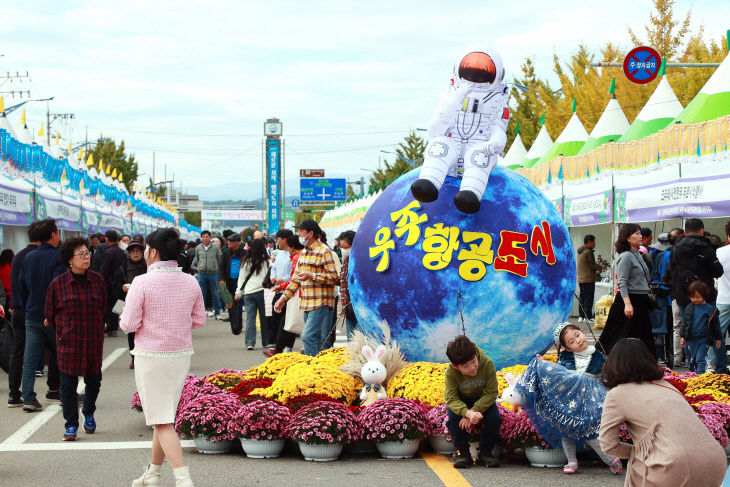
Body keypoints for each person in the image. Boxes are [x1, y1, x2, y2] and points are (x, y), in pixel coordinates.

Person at [120, 228, 204, 487]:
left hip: (151, 355)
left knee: (162, 420)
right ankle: (153, 474)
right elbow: (199, 320)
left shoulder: (142, 282)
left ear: (153, 251)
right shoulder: (191, 281)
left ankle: (183, 478)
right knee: (163, 416)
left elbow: (128, 324)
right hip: (180, 354)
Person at [599, 338, 726, 486]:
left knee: (639, 464)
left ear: (614, 364)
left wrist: (638, 451)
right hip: (716, 461)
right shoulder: (667, 385)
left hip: (672, 466)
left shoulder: (617, 394)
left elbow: (608, 445)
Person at [516, 323, 622, 475]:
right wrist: (542, 364)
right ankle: (571, 461)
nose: (577, 341)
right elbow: (557, 375)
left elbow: (607, 375)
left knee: (588, 431)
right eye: (571, 342)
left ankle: (609, 459)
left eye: (577, 335)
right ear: (567, 348)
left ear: (583, 332)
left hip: (589, 399)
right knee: (566, 429)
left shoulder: (598, 356)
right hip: (570, 400)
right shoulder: (565, 357)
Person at [45, 237, 106, 441]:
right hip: (69, 344)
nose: (86, 257)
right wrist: (64, 332)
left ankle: (88, 411)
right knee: (68, 387)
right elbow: (50, 314)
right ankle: (71, 424)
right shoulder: (58, 284)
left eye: (87, 253)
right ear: (69, 260)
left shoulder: (97, 280)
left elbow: (104, 308)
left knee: (94, 381)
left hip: (93, 342)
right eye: (81, 254)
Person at [18, 219, 66, 412]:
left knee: (30, 359)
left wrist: (27, 306)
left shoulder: (27, 257)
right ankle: (65, 393)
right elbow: (58, 287)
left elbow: (21, 288)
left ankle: (28, 397)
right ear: (53, 235)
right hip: (53, 316)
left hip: (32, 313)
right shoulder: (58, 257)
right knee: (63, 354)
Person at [274, 219, 339, 356]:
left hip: (321, 302)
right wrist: (283, 299)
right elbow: (295, 279)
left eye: (300, 231)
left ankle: (313, 368)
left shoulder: (324, 251)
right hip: (306, 302)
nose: (298, 234)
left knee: (308, 337)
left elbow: (334, 277)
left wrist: (312, 275)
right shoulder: (303, 252)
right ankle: (318, 368)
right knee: (313, 338)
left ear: (310, 233)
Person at [597, 224, 655, 357]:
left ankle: (641, 365)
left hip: (641, 300)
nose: (640, 236)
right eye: (636, 234)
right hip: (629, 300)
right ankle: (609, 363)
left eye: (640, 233)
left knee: (641, 335)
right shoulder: (626, 256)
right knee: (619, 336)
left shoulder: (637, 254)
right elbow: (622, 282)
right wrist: (627, 304)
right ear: (627, 238)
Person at [444, 335, 501, 469]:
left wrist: (474, 411)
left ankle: (486, 453)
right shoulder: (450, 372)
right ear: (455, 366)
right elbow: (451, 398)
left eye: (474, 361)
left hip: (482, 400)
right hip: (460, 401)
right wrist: (466, 413)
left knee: (494, 418)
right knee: (453, 419)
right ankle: (463, 453)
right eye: (466, 366)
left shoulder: (487, 363)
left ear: (475, 354)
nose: (473, 368)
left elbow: (491, 393)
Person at [7, 223, 41, 407]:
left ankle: (14, 394)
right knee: (51, 348)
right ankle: (55, 389)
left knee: (17, 352)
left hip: (17, 309)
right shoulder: (38, 256)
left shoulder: (18, 256)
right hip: (34, 311)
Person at [665, 218, 724, 325]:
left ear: (685, 232)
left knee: (688, 328)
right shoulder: (707, 247)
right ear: (701, 231)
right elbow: (718, 272)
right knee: (709, 328)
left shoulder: (676, 249)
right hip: (705, 295)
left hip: (683, 294)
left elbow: (672, 272)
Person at [264, 235, 303, 357]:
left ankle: (278, 349)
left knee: (286, 322)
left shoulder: (297, 258)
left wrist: (282, 288)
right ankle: (280, 348)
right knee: (286, 322)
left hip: (297, 294)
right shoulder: (294, 256)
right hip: (294, 292)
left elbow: (294, 280)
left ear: (291, 247)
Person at [112, 240, 147, 369]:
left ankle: (144, 356)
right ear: (129, 253)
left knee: (145, 329)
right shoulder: (122, 267)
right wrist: (122, 288)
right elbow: (114, 285)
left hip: (145, 303)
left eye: (138, 251)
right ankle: (134, 358)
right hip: (127, 302)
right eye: (133, 251)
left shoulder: (148, 266)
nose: (136, 253)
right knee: (131, 331)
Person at [234, 238, 270, 350]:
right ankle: (266, 342)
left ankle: (250, 343)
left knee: (250, 318)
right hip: (262, 292)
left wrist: (238, 293)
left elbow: (241, 279)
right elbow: (269, 278)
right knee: (264, 318)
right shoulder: (267, 262)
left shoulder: (246, 262)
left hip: (249, 293)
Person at [680, 281, 722, 374]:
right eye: (692, 297)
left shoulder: (710, 309)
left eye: (698, 297)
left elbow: (715, 325)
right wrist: (682, 337)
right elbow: (685, 323)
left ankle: (699, 377)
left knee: (700, 359)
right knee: (692, 361)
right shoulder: (689, 308)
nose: (695, 299)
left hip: (703, 339)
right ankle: (693, 375)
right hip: (691, 339)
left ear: (704, 296)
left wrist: (718, 338)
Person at [266, 229, 293, 354]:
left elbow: (293, 274)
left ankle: (288, 344)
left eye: (278, 239)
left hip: (290, 292)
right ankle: (274, 343)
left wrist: (283, 279)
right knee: (275, 318)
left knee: (288, 320)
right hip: (278, 290)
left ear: (285, 239)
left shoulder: (293, 254)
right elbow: (274, 268)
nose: (277, 242)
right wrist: (274, 277)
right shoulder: (279, 254)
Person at [709, 220, 730, 374]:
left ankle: (712, 366)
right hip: (723, 299)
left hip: (724, 298)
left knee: (716, 334)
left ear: (728, 236)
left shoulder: (719, 252)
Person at [192, 230, 223, 320]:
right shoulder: (198, 248)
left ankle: (217, 312)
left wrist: (215, 268)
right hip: (202, 273)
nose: (205, 239)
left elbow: (219, 259)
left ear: (210, 237)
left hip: (213, 273)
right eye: (203, 237)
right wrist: (200, 267)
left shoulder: (215, 248)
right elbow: (197, 259)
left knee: (215, 293)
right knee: (201, 294)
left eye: (206, 237)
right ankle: (201, 313)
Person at [100, 230, 126, 337]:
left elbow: (105, 270)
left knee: (107, 306)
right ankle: (115, 327)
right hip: (121, 283)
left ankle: (109, 327)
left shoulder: (108, 252)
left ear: (107, 239)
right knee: (119, 304)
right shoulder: (122, 251)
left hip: (109, 284)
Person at [218, 233, 245, 332]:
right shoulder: (225, 253)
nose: (229, 243)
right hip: (228, 282)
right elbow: (220, 268)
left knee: (239, 304)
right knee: (229, 304)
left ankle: (238, 324)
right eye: (228, 241)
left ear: (237, 242)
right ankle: (234, 325)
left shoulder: (244, 253)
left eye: (232, 241)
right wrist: (221, 279)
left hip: (240, 283)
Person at [576, 235, 602, 322]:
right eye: (593, 242)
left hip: (581, 278)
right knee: (588, 298)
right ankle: (588, 317)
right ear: (589, 242)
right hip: (588, 278)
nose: (595, 244)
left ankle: (581, 316)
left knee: (582, 297)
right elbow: (592, 264)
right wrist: (600, 267)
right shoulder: (588, 252)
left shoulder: (580, 251)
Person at [338, 230, 359, 340]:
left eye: (345, 247)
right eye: (341, 247)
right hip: (348, 308)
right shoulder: (345, 261)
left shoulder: (360, 260)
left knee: (358, 339)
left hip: (359, 308)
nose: (343, 250)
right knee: (350, 341)